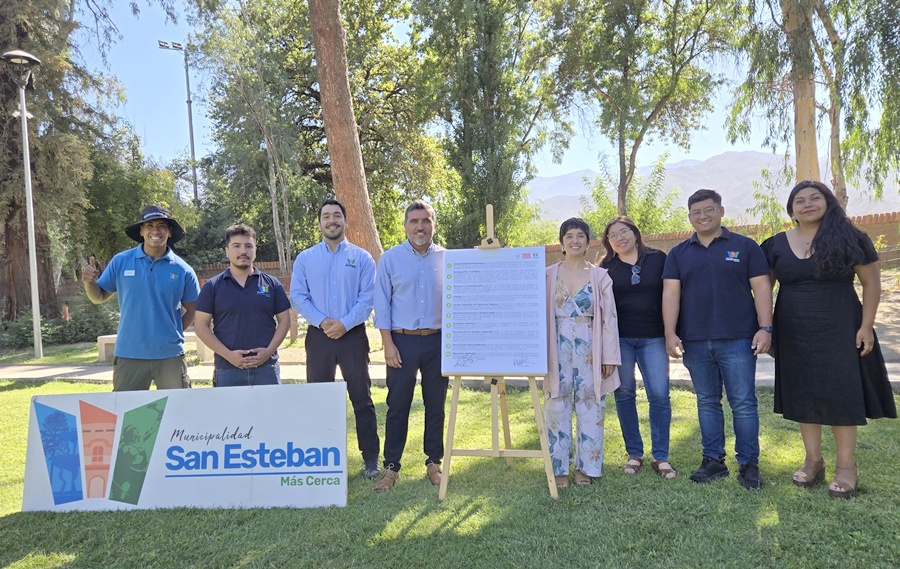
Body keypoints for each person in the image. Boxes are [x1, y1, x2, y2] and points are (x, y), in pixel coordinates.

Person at [760, 181, 896, 498]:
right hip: (793, 330)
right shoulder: (775, 244)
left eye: (815, 198)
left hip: (842, 327)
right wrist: (765, 327)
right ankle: (813, 461)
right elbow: (763, 288)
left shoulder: (851, 238)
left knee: (841, 393)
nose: (807, 204)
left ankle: (847, 467)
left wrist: (866, 326)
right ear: (791, 209)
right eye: (800, 200)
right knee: (803, 394)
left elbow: (871, 284)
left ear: (828, 202)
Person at [662, 189, 773, 490]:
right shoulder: (678, 253)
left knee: (743, 403)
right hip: (695, 341)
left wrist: (765, 327)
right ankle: (713, 461)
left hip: (738, 338)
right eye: (696, 212)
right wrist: (670, 333)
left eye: (708, 210)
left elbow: (762, 288)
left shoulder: (745, 246)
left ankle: (749, 464)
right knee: (707, 402)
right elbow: (671, 294)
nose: (703, 216)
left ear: (721, 211)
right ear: (689, 217)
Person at [291, 199, 381, 480]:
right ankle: (320, 457)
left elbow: (367, 298)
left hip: (352, 336)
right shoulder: (305, 259)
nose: (332, 220)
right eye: (326, 216)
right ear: (319, 223)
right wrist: (322, 321)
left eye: (337, 215)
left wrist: (344, 323)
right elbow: (298, 296)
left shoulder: (362, 258)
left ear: (345, 220)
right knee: (319, 399)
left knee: (362, 398)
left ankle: (370, 459)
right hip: (319, 337)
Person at [82, 205, 201, 391]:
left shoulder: (182, 269)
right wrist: (89, 282)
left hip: (169, 355)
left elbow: (194, 309)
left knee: (177, 407)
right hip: (129, 353)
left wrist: (173, 330)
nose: (155, 231)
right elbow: (98, 297)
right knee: (127, 408)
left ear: (169, 232)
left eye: (162, 226)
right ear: (141, 231)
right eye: (149, 225)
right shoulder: (121, 261)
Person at [372, 200, 447, 492]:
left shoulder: (447, 259)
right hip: (401, 341)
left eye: (426, 220)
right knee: (397, 405)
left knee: (435, 405)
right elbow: (382, 304)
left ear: (433, 225)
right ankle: (391, 466)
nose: (420, 226)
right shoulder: (390, 259)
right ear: (405, 226)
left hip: (438, 341)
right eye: (414, 221)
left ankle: (434, 462)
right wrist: (388, 344)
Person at [545, 217, 620, 488]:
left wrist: (609, 357)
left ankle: (585, 468)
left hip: (591, 346)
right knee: (556, 406)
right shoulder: (547, 275)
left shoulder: (600, 276)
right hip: (557, 346)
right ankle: (558, 469)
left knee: (591, 407)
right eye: (569, 236)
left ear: (588, 242)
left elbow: (609, 318)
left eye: (580, 236)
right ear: (562, 242)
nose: (575, 241)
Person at [600, 216, 675, 479]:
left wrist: (672, 333)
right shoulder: (606, 267)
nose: (619, 238)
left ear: (635, 233)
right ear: (608, 242)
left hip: (654, 338)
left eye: (624, 232)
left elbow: (672, 294)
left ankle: (661, 456)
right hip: (620, 340)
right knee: (624, 394)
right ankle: (634, 453)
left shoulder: (658, 259)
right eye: (612, 235)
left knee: (659, 395)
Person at [195, 224, 291, 387]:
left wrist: (268, 352)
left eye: (248, 246)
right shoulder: (212, 286)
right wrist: (229, 355)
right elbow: (200, 327)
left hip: (267, 369)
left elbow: (285, 321)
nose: (243, 251)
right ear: (227, 251)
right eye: (236, 246)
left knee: (269, 406)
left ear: (255, 250)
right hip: (227, 370)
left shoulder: (272, 284)